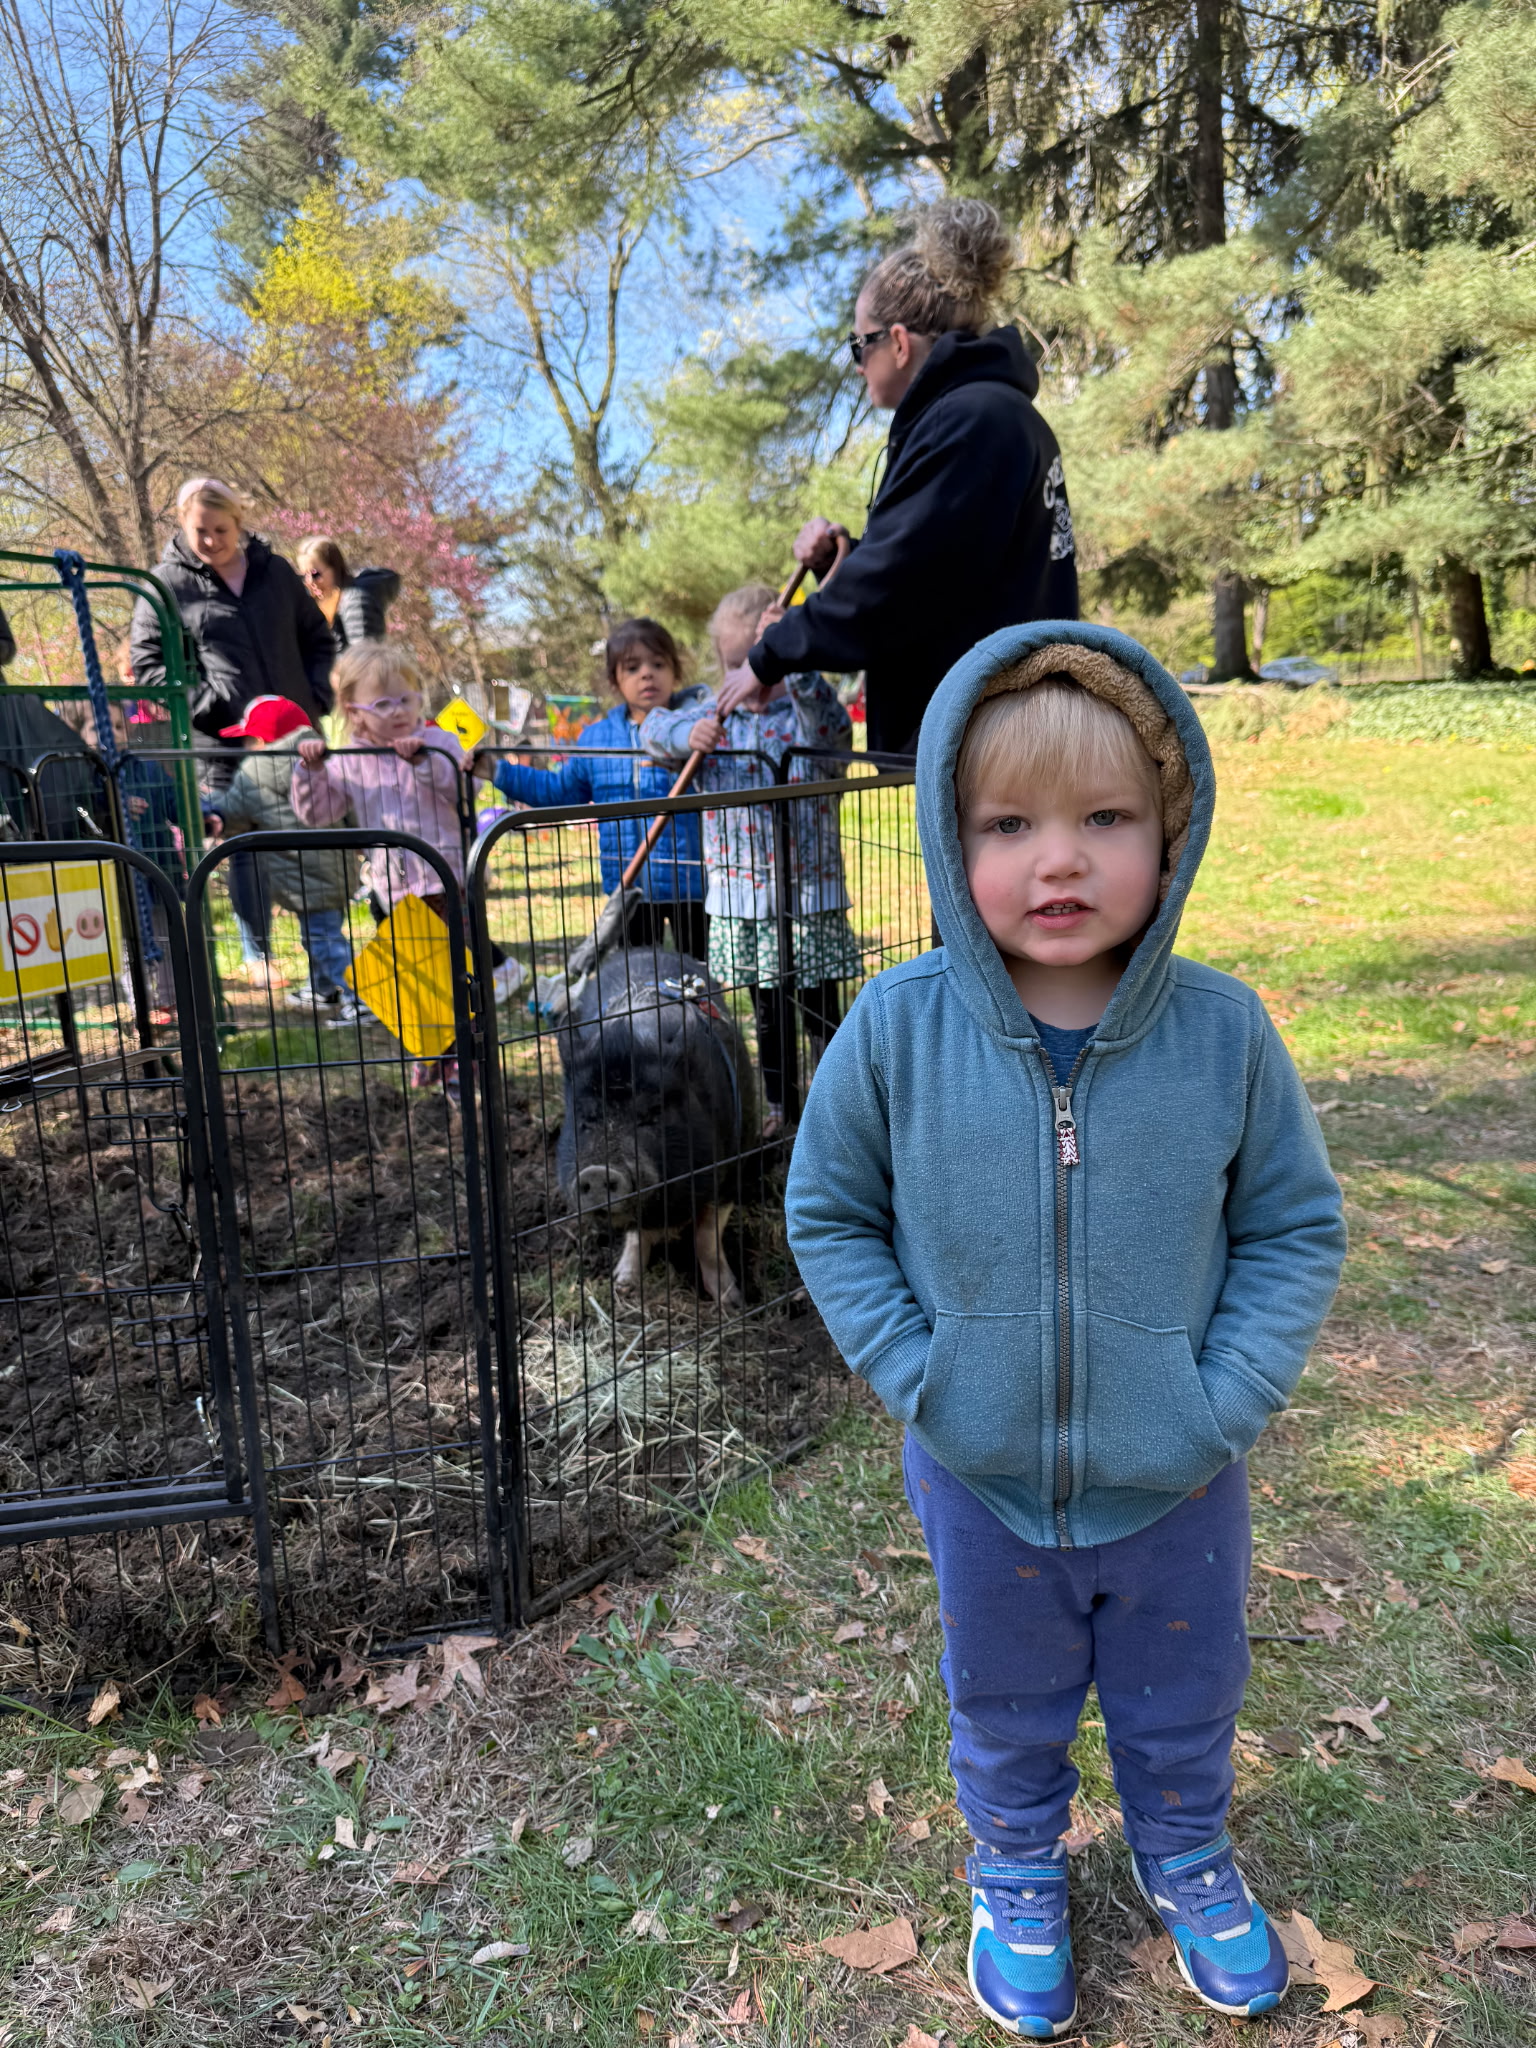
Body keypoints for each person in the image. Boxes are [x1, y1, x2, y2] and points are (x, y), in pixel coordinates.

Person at [784, 623, 1346, 2036]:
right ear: (948, 836)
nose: (1059, 861)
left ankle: (1185, 1848)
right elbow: (831, 1213)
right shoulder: (896, 1031)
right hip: (979, 1472)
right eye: (1009, 825)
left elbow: (1293, 1226)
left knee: (1183, 1686)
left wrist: (1222, 1398)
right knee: (1006, 1692)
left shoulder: (1224, 1035)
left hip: (1180, 1475)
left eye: (1105, 819)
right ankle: (1018, 1863)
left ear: (1172, 830)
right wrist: (923, 1375)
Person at [743, 200, 1078, 757]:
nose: (857, 364)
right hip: (1009, 729)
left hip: (990, 743)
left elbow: (893, 592)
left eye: (859, 343)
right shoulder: (993, 416)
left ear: (898, 342)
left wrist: (768, 654)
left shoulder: (968, 422)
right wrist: (839, 559)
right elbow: (937, 573)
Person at [641, 584, 859, 1138]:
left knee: (819, 1005)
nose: (751, 677)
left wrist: (794, 655)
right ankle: (781, 1106)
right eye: (737, 664)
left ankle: (843, 1105)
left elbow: (836, 731)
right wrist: (687, 733)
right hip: (746, 897)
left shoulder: (805, 713)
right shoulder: (717, 717)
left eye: (763, 661)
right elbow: (652, 730)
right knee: (767, 1008)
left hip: (807, 895)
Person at [130, 477, 337, 980]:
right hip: (225, 744)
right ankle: (257, 955)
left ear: (238, 522)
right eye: (200, 530)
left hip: (294, 737)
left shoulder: (276, 572)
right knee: (244, 846)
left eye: (220, 529)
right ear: (183, 524)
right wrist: (214, 707)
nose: (211, 540)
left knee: (310, 842)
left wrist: (316, 698)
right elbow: (148, 663)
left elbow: (319, 639)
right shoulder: (165, 585)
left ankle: (324, 963)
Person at [291, 641, 521, 1094]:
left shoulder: (438, 742)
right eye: (382, 703)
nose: (398, 710)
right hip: (391, 889)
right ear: (354, 712)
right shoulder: (350, 758)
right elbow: (318, 812)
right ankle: (434, 1056)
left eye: (406, 698)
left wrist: (422, 763)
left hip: (445, 881)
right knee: (414, 981)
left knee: (456, 976)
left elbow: (463, 792)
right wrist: (311, 770)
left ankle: (468, 1061)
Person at [485, 617, 706, 959]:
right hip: (629, 889)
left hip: (692, 888)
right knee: (634, 980)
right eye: (632, 667)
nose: (647, 674)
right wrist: (497, 772)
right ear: (615, 680)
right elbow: (559, 791)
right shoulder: (597, 739)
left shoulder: (699, 730)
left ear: (675, 671)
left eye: (658, 664)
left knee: (698, 975)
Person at [204, 696, 361, 1025]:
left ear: (262, 740)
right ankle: (322, 988)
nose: (247, 746)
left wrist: (211, 809)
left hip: (300, 874)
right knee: (322, 933)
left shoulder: (255, 770)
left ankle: (361, 997)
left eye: (249, 739)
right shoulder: (325, 759)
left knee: (323, 940)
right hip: (337, 865)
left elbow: (234, 810)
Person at [295, 535, 401, 649]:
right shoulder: (323, 606)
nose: (311, 582)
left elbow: (364, 655)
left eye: (315, 574)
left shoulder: (356, 602)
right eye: (304, 576)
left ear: (335, 568)